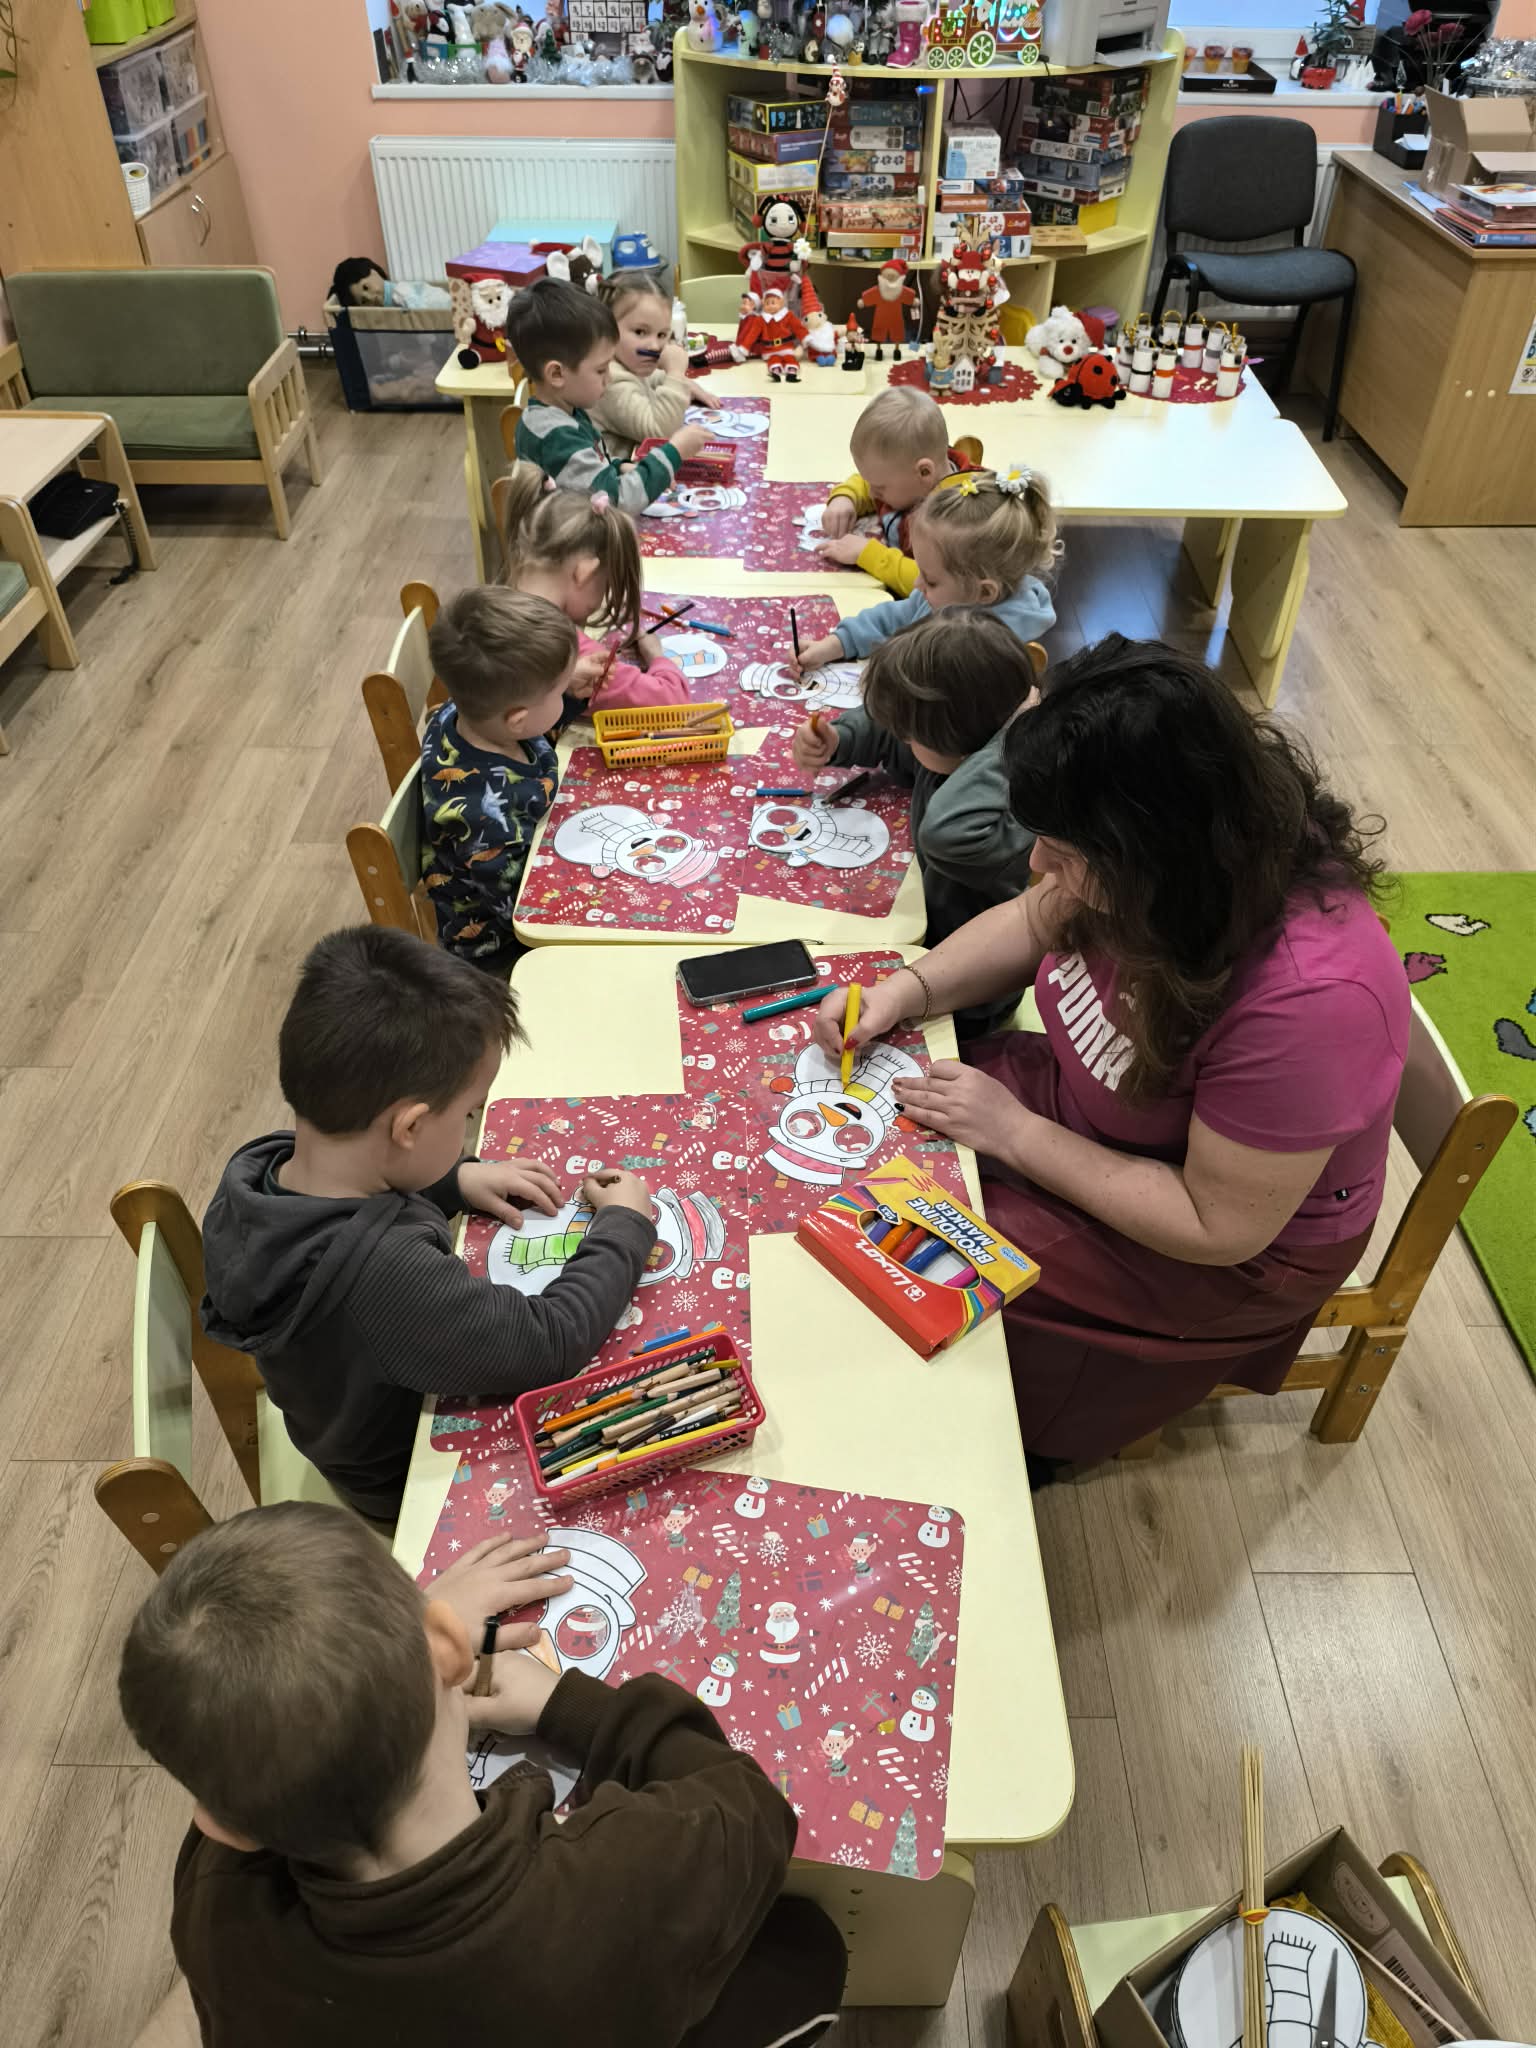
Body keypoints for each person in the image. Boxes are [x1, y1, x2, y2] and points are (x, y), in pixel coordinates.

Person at [812, 636, 1409, 1473]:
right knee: (856, 1169)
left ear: (1151, 855)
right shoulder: (1179, 851)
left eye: (1063, 852)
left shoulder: (1310, 1001)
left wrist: (1015, 1134)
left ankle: (1014, 1449)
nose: (1036, 865)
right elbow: (1036, 919)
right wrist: (905, 991)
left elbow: (1217, 1225)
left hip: (1214, 1246)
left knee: (906, 1269)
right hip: (1098, 1124)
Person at [118, 1502, 847, 2048]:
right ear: (449, 1648)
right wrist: (568, 1704)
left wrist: (386, 1650)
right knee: (808, 1948)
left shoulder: (215, 1913)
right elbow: (750, 1806)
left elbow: (253, 1725)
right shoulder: (616, 1889)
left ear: (220, 1825)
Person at [200, 927, 656, 1522]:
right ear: (410, 1127)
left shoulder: (259, 1170)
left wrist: (453, 1179)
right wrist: (623, 1225)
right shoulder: (385, 1275)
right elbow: (553, 1340)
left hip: (338, 1426)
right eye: (467, 1114)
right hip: (409, 1482)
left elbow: (365, 1190)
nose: (469, 1128)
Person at [791, 609, 1041, 1036]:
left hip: (968, 1002)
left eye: (911, 734)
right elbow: (889, 733)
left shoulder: (997, 814)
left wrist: (1019, 733)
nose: (901, 739)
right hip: (915, 947)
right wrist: (840, 740)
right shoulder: (950, 751)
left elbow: (944, 832)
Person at [417, 585, 579, 968]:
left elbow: (538, 733)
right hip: (502, 952)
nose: (566, 692)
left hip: (537, 845)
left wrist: (570, 701)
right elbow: (528, 915)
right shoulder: (489, 824)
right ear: (518, 720)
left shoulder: (462, 713)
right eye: (560, 691)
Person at [793, 465, 1056, 671]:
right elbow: (892, 618)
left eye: (930, 580)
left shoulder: (987, 655)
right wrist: (834, 645)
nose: (917, 584)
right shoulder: (951, 598)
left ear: (985, 592)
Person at [497, 462, 689, 713]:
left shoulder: (495, 605)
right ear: (584, 573)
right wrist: (657, 655)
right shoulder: (559, 646)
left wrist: (566, 682)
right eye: (605, 585)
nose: (601, 602)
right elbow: (672, 701)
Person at [506, 279, 711, 514]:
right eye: (601, 370)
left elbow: (593, 466)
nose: (610, 378)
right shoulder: (557, 438)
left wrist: (620, 467)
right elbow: (617, 502)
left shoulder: (566, 411)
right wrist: (674, 452)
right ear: (556, 374)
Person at [817, 385, 982, 596]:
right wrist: (845, 497)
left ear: (924, 472)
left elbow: (936, 584)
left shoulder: (957, 521)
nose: (872, 493)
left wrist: (869, 555)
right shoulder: (912, 475)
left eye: (880, 488)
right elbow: (867, 482)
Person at [589, 272, 719, 462]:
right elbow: (660, 432)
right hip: (617, 476)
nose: (655, 346)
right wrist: (675, 374)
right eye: (640, 332)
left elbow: (646, 379)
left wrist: (684, 385)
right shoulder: (609, 379)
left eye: (661, 335)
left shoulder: (625, 362)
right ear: (606, 329)